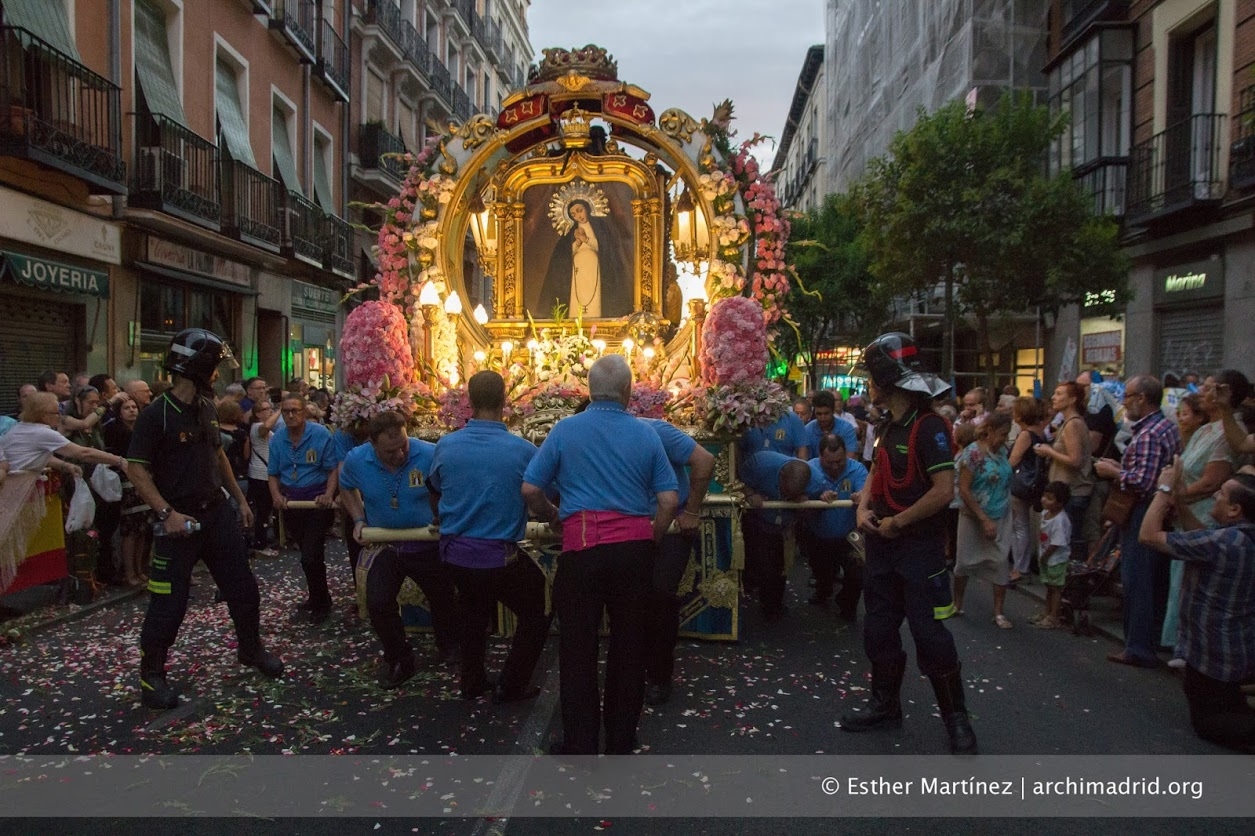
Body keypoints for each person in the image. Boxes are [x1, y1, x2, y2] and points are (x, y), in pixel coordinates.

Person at [522, 354, 678, 755]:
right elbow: (668, 499)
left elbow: (530, 490)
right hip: (634, 554)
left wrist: (554, 516)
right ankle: (622, 740)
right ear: (628, 391)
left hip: (582, 550)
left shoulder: (564, 430)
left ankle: (581, 742)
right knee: (629, 647)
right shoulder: (647, 435)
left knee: (578, 649)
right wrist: (653, 537)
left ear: (589, 390)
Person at [125, 328, 283, 710]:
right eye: (213, 369)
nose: (217, 376)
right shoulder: (155, 415)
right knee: (169, 603)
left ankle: (250, 649)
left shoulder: (208, 409)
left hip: (216, 515)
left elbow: (218, 456)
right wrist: (167, 513)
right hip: (177, 522)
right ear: (195, 369)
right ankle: (152, 677)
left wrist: (239, 497)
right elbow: (135, 470)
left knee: (243, 588)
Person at [840, 332, 977, 755]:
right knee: (879, 630)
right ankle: (885, 706)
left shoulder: (930, 426)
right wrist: (863, 508)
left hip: (918, 550)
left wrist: (898, 521)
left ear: (886, 381)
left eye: (870, 379)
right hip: (883, 546)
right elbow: (877, 475)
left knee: (930, 636)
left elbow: (942, 490)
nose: (866, 387)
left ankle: (958, 720)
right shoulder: (887, 426)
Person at [427, 372, 552, 702]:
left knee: (472, 612)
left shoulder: (446, 445)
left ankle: (471, 682)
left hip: (454, 552)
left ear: (468, 401)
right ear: (505, 401)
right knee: (536, 611)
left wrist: (445, 518)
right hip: (498, 555)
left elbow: (434, 489)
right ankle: (511, 683)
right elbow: (541, 492)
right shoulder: (522, 450)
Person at [1140, 464, 1255, 753]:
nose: (1215, 495)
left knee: (1210, 723)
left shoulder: (1224, 542)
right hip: (1231, 649)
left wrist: (1164, 490)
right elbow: (1200, 538)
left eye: (1222, 494)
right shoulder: (1237, 538)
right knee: (1225, 705)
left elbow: (1149, 536)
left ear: (1235, 510)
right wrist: (1180, 501)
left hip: (1212, 654)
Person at [340, 410, 459, 688]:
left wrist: (444, 516)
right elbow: (346, 487)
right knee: (378, 602)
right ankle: (399, 658)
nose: (400, 455)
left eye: (404, 446)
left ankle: (451, 645)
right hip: (386, 545)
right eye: (390, 451)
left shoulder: (430, 454)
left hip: (427, 543)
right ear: (373, 445)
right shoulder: (357, 460)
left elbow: (451, 489)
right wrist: (358, 519)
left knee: (443, 596)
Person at [1094, 375, 1182, 668]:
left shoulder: (1147, 434)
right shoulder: (1166, 427)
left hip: (1143, 509)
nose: (1123, 402)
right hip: (1160, 509)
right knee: (1152, 578)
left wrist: (1114, 473)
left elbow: (1143, 482)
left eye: (1128, 396)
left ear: (1142, 398)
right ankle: (1151, 638)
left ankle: (1139, 647)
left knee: (1138, 579)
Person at [1161, 378, 1243, 665]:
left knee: (1198, 584)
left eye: (1211, 389)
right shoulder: (1204, 429)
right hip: (1184, 511)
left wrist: (1174, 495)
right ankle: (1181, 645)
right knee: (1181, 582)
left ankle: (1196, 650)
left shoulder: (1227, 433)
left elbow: (1210, 482)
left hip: (1205, 513)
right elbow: (1184, 464)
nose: (1204, 394)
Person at [640, 415, 715, 705]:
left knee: (660, 594)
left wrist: (692, 511)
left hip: (671, 528)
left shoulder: (655, 430)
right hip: (628, 527)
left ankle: (659, 675)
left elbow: (705, 460)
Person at [268, 393, 339, 623]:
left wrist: (328, 494)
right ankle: (318, 596)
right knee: (306, 554)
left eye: (294, 411)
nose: (290, 415)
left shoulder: (320, 434)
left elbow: (332, 469)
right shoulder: (278, 438)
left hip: (316, 502)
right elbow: (273, 474)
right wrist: (277, 496)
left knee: (311, 555)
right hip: (292, 504)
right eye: (285, 411)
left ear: (304, 412)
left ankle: (321, 603)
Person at [952, 412, 1015, 628]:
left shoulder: (1002, 451)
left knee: (999, 561)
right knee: (964, 562)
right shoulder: (972, 454)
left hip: (1000, 513)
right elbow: (964, 488)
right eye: (1002, 434)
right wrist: (982, 518)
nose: (1004, 439)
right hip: (973, 515)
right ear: (988, 431)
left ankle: (998, 612)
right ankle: (957, 603)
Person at [798, 433, 868, 619]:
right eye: (830, 463)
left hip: (848, 535)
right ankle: (823, 590)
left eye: (840, 461)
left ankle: (847, 606)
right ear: (820, 457)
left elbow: (865, 492)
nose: (836, 467)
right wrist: (817, 497)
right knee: (822, 573)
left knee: (857, 574)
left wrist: (860, 496)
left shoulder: (857, 469)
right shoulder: (808, 469)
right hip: (818, 534)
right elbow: (798, 497)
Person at [739, 449, 813, 624]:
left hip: (787, 526)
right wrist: (749, 493)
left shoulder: (815, 480)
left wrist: (802, 511)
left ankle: (774, 606)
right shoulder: (760, 463)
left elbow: (814, 512)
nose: (787, 496)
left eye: (792, 496)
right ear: (780, 476)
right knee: (766, 567)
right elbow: (736, 481)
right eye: (785, 491)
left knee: (781, 568)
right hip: (760, 522)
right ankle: (767, 605)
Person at [535, 198, 632, 319]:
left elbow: (606, 247)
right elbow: (563, 255)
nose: (578, 216)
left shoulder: (600, 226)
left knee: (595, 300)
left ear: (587, 208)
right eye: (573, 214)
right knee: (578, 299)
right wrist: (577, 243)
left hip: (595, 270)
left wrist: (586, 239)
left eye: (579, 211)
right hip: (577, 272)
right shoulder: (571, 232)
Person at [0, 392, 127, 479]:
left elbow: (34, 457)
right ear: (43, 415)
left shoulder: (20, 428)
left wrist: (64, 465)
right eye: (56, 412)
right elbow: (83, 453)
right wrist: (119, 461)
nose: (60, 416)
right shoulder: (41, 433)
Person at [1033, 381, 1093, 557]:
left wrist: (1049, 451)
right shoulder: (1068, 422)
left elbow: (1075, 460)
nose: (1053, 397)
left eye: (1059, 394)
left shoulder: (1073, 424)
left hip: (1072, 491)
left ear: (1073, 399)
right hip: (1066, 490)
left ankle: (1068, 582)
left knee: (1067, 543)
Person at [104, 395, 152, 586]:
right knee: (130, 529)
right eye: (126, 408)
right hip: (126, 479)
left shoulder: (143, 429)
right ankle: (129, 571)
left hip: (145, 478)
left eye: (134, 407)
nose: (132, 410)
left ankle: (140, 569)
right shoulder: (115, 430)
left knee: (142, 528)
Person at [1007, 396, 1048, 583]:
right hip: (1034, 483)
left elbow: (1014, 459)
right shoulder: (1041, 432)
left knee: (1019, 526)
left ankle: (1020, 567)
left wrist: (1000, 475)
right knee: (1027, 525)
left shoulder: (1025, 435)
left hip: (1020, 483)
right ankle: (1026, 564)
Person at [1030, 481, 1072, 629]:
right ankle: (1047, 612)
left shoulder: (1060, 521)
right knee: (1049, 586)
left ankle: (1053, 616)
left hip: (1055, 559)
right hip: (1047, 558)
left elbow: (1056, 543)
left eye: (1049, 498)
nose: (1044, 500)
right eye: (1044, 496)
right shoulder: (1045, 514)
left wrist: (1045, 556)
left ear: (1060, 503)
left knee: (1055, 588)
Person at [245, 399, 280, 556]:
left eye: (271, 408)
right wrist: (280, 410)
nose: (270, 411)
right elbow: (267, 426)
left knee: (266, 509)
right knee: (263, 509)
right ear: (258, 414)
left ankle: (264, 540)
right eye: (266, 409)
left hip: (266, 472)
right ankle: (260, 543)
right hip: (260, 473)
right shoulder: (257, 427)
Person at [804, 390, 858, 463]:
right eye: (819, 414)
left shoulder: (846, 428)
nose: (822, 418)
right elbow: (805, 460)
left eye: (826, 413)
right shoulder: (808, 430)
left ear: (833, 411)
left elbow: (850, 459)